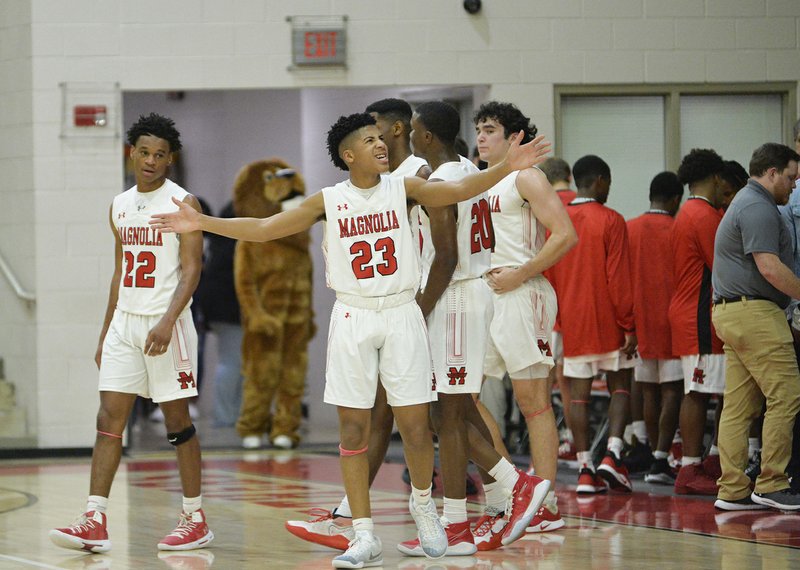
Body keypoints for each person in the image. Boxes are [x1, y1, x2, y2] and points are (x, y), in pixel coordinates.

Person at [150, 112, 552, 568]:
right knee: (354, 428)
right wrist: (201, 222)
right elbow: (263, 230)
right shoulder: (328, 199)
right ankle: (362, 533)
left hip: (401, 311)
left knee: (417, 424)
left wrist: (506, 167)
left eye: (381, 138)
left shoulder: (404, 188)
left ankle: (424, 508)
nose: (381, 145)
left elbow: (458, 191)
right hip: (353, 316)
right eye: (369, 140)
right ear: (348, 155)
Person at [49, 113, 213, 553]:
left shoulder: (184, 204)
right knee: (108, 420)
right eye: (144, 152)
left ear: (170, 160)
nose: (151, 161)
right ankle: (95, 517)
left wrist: (166, 321)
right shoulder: (120, 204)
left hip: (168, 324)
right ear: (132, 153)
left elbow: (192, 270)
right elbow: (120, 272)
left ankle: (194, 517)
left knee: (177, 424)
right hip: (125, 322)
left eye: (160, 155)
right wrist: (106, 331)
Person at [473, 102, 577, 534]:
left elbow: (567, 235)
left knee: (533, 404)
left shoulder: (526, 177)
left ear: (514, 138)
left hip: (523, 294)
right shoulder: (477, 182)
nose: (480, 137)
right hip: (484, 298)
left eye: (490, 130)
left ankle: (546, 502)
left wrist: (521, 272)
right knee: (463, 400)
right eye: (478, 129)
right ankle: (510, 487)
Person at [711, 142, 800, 512]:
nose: (794, 186)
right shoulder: (758, 206)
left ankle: (732, 488)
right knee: (787, 393)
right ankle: (772, 483)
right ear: (772, 172)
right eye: (792, 178)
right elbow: (769, 267)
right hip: (754, 314)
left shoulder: (746, 203)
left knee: (739, 405)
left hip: (733, 312)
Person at [547, 154, 638, 495]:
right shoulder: (612, 220)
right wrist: (629, 325)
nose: (610, 190)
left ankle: (585, 467)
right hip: (609, 322)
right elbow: (618, 278)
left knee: (579, 397)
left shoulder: (558, 221)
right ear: (599, 180)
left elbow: (550, 276)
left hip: (573, 321)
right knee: (621, 386)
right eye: (609, 183)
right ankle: (613, 453)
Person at [668, 148, 727, 496]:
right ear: (717, 178)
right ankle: (690, 467)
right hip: (698, 315)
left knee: (713, 392)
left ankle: (709, 461)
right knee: (698, 392)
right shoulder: (702, 215)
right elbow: (723, 268)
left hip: (692, 310)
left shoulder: (690, 211)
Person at [626, 172, 685, 485]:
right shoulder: (677, 229)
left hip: (640, 321)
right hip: (673, 320)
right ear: (676, 200)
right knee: (673, 389)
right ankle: (662, 458)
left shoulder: (629, 228)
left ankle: (650, 453)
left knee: (649, 391)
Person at [538, 156, 578, 463]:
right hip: (587, 304)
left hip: (552, 305)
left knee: (555, 379)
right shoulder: (589, 205)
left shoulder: (541, 206)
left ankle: (570, 438)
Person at [194, 201, 244, 428]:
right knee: (233, 363)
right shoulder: (234, 245)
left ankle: (229, 415)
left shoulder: (217, 243)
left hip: (218, 310)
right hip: (231, 310)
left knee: (232, 362)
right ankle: (226, 416)